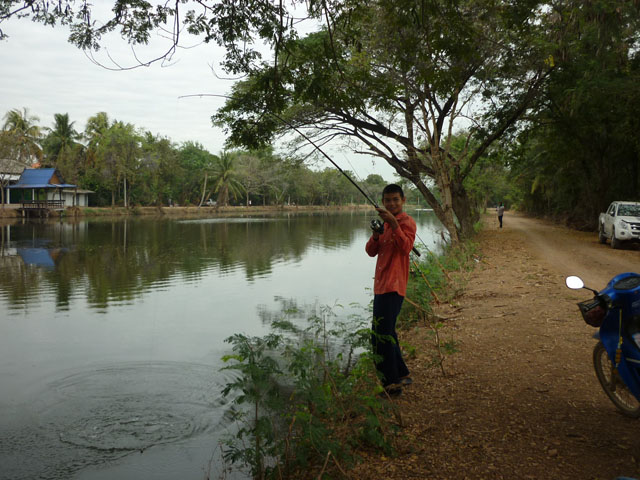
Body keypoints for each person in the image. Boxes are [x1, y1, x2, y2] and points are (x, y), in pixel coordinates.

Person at [365, 184, 417, 396]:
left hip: (394, 286)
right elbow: (370, 251)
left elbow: (406, 248)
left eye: (395, 199)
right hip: (381, 285)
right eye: (388, 200)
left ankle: (391, 385)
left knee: (380, 337)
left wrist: (394, 224)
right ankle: (402, 374)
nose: (391, 203)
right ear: (383, 202)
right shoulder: (385, 225)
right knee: (387, 333)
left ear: (403, 200)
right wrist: (377, 235)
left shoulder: (406, 223)